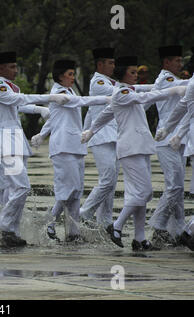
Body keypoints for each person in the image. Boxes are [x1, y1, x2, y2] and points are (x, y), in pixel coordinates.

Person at [81, 55, 187, 251]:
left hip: (140, 147)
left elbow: (106, 113)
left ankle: (139, 238)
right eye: (132, 72)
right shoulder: (122, 92)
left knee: (140, 195)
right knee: (144, 192)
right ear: (123, 75)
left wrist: (91, 130)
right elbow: (145, 96)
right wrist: (173, 89)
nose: (136, 76)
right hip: (131, 149)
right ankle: (117, 225)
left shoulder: (123, 92)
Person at [0, 51, 67, 247]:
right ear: (0, 69)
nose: (16, 70)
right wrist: (50, 97)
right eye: (12, 67)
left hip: (14, 142)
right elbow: (22, 99)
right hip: (6, 143)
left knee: (13, 189)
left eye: (16, 66)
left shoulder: (5, 88)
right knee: (20, 187)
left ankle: (11, 231)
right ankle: (5, 226)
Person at [33, 59, 111, 242]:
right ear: (60, 76)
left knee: (76, 191)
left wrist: (42, 134)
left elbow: (54, 119)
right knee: (67, 190)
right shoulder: (60, 92)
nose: (72, 77)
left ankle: (73, 232)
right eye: (69, 74)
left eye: (73, 74)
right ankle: (49, 224)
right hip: (63, 147)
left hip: (75, 146)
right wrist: (106, 99)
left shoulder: (68, 91)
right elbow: (82, 101)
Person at [149, 45, 191, 247]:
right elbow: (185, 85)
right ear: (166, 63)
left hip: (178, 138)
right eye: (177, 61)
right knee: (174, 186)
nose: (180, 64)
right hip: (166, 139)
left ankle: (179, 230)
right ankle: (158, 227)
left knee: (178, 187)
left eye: (181, 61)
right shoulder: (165, 79)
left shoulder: (172, 79)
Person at [77, 47, 119, 230]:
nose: (113, 66)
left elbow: (91, 112)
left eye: (114, 63)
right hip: (101, 137)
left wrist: (85, 132)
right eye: (110, 63)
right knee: (107, 180)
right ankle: (85, 212)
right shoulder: (99, 83)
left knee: (111, 182)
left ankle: (105, 221)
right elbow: (122, 92)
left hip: (111, 136)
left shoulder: (107, 82)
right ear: (100, 64)